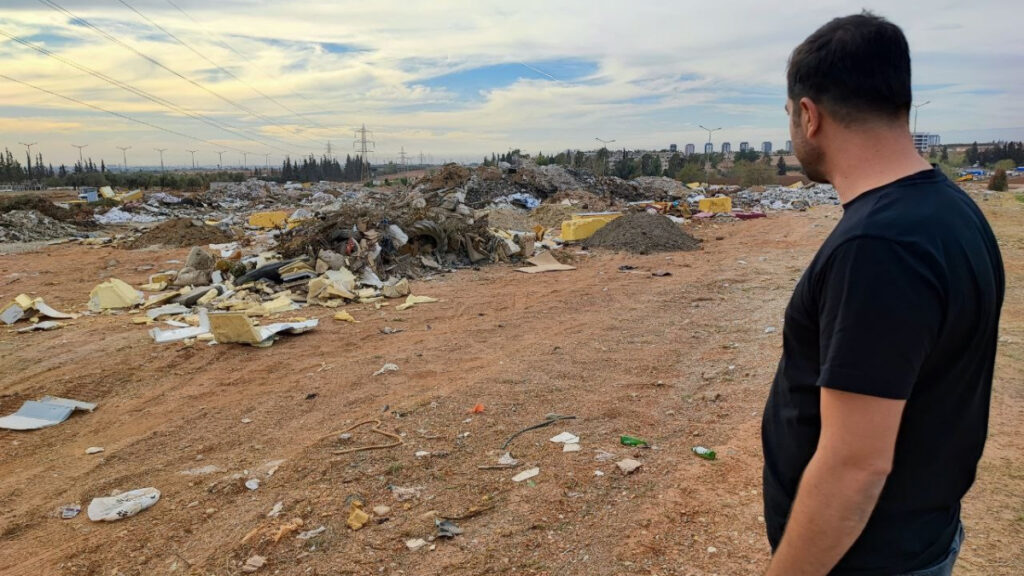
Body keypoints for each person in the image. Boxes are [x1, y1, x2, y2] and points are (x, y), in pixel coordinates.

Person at [761, 12, 1004, 576]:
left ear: (808, 115)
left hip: (867, 559)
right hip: (916, 537)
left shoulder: (879, 245)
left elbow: (855, 466)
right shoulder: (947, 208)